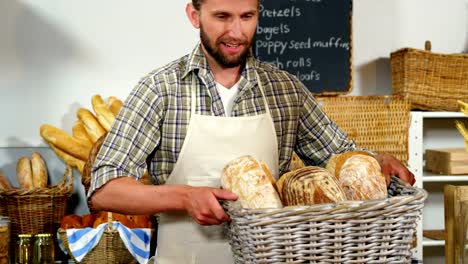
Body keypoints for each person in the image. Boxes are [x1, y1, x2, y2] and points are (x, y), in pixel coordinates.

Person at [88, 0, 415, 263]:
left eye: (247, 16)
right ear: (194, 14)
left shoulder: (286, 90)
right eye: (221, 16)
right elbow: (104, 188)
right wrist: (185, 197)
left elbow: (339, 156)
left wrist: (375, 160)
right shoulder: (160, 89)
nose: (236, 31)